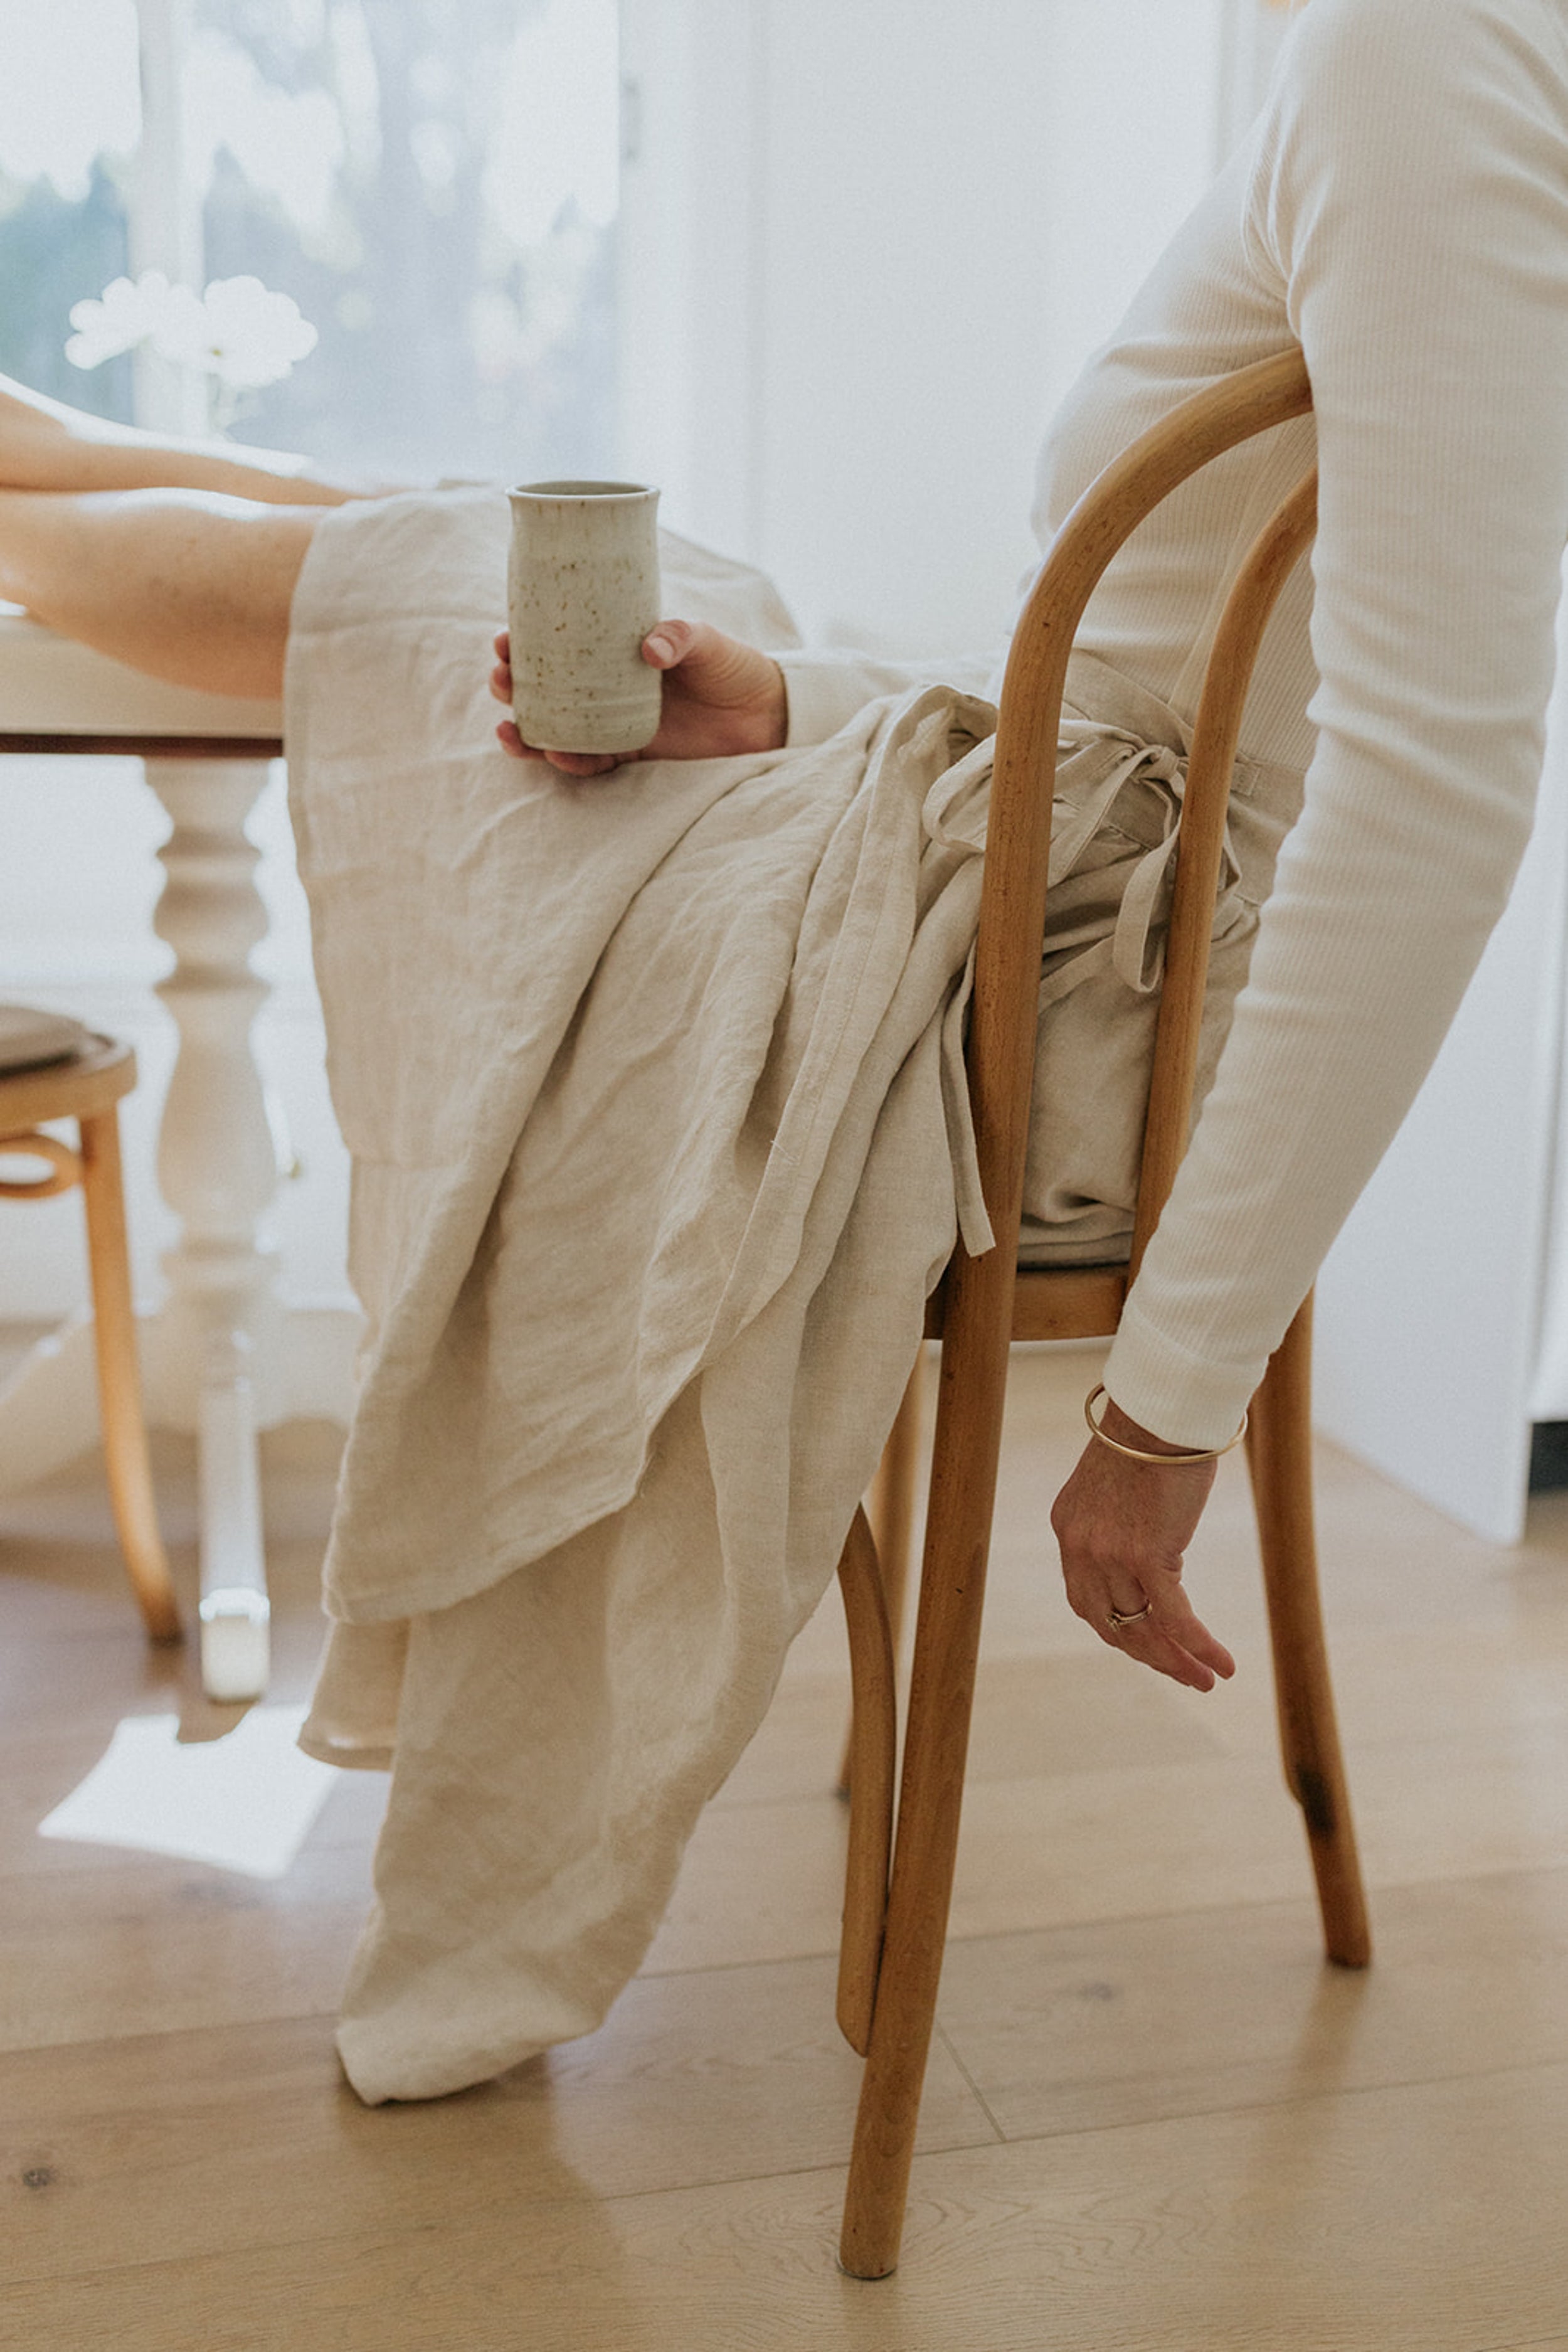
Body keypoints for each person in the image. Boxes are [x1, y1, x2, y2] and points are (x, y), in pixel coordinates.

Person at [4, 0, 1566, 2095]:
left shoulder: (1433, 49)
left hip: (1065, 977)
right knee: (511, 544)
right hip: (1014, 860)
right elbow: (1131, 683)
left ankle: (19, 517)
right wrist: (792, 704)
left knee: (432, 575)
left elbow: (1432, 785)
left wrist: (1162, 1406)